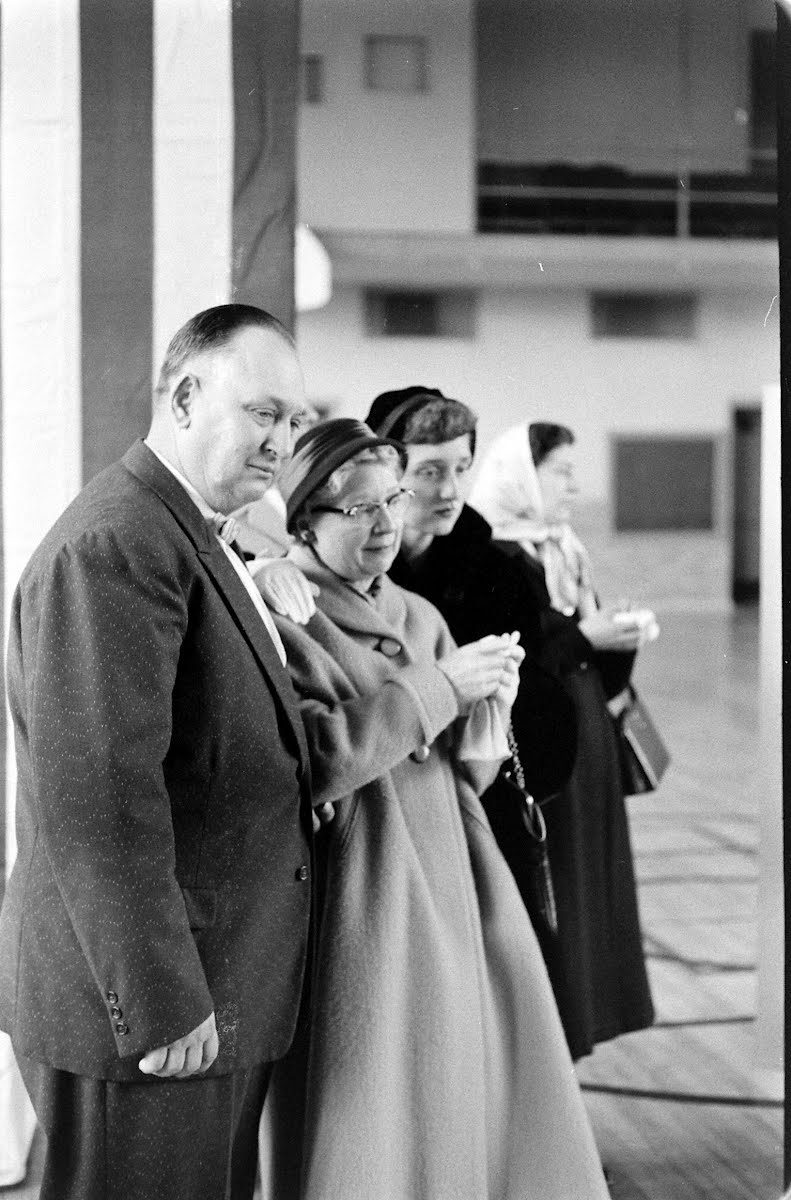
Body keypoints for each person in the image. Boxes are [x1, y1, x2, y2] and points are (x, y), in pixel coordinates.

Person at [0, 304, 326, 1200]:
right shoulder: (119, 542)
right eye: (262, 412)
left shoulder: (183, 530)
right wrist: (160, 1000)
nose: (281, 442)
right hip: (159, 1010)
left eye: (293, 420)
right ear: (184, 398)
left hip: (213, 979)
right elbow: (99, 797)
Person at [266, 417, 610, 1200]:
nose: (386, 524)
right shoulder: (286, 618)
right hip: (365, 883)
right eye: (360, 509)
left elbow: (460, 775)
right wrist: (441, 688)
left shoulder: (419, 615)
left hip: (451, 872)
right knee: (374, 1085)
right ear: (305, 521)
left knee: (459, 1071)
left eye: (392, 500)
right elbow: (313, 761)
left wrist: (489, 716)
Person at [363, 386, 578, 972]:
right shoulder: (352, 566)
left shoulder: (499, 572)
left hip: (476, 801)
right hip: (378, 809)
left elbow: (533, 701)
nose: (451, 490)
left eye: (462, 468)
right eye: (430, 471)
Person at [470, 420, 656, 1060]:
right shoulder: (497, 559)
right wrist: (586, 637)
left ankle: (585, 1037)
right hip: (544, 756)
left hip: (588, 744)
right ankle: (558, 1052)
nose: (574, 486)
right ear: (523, 477)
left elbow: (593, 665)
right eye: (562, 472)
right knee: (559, 902)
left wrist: (618, 639)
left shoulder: (565, 552)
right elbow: (517, 662)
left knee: (589, 896)